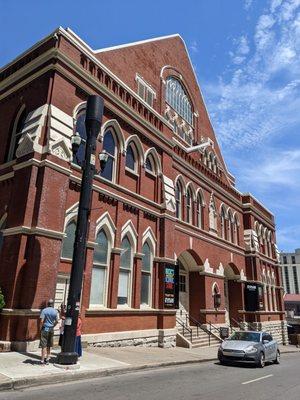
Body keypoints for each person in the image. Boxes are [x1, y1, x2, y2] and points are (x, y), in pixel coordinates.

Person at [39, 299, 58, 365]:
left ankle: (42, 360)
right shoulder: (55, 311)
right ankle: (47, 359)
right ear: (52, 304)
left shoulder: (44, 310)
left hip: (45, 328)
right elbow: (57, 321)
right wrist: (53, 326)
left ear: (48, 304)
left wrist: (41, 328)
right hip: (51, 329)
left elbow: (41, 321)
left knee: (43, 345)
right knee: (49, 345)